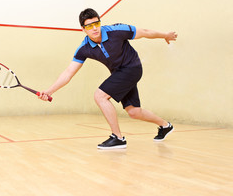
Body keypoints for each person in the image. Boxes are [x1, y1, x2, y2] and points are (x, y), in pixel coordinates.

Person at [38, 8, 177, 149]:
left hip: (132, 67)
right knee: (134, 112)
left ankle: (118, 138)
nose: (94, 28)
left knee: (100, 96)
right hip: (118, 74)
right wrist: (50, 91)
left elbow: (145, 32)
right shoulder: (84, 48)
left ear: (99, 22)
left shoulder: (116, 31)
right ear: (83, 29)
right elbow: (68, 72)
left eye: (96, 24)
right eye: (89, 26)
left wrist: (165, 35)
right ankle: (165, 125)